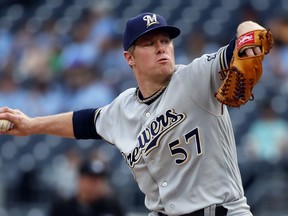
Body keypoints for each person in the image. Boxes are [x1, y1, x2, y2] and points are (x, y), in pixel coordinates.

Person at [0, 12, 271, 216]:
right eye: (149, 43)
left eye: (165, 40)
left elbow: (251, 30)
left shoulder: (196, 77)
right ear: (129, 58)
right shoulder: (122, 109)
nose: (161, 47)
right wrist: (32, 124)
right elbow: (82, 123)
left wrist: (248, 43)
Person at [49, 159, 125, 216]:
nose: (96, 185)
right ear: (80, 180)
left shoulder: (112, 207)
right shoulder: (63, 208)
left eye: (100, 180)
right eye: (92, 180)